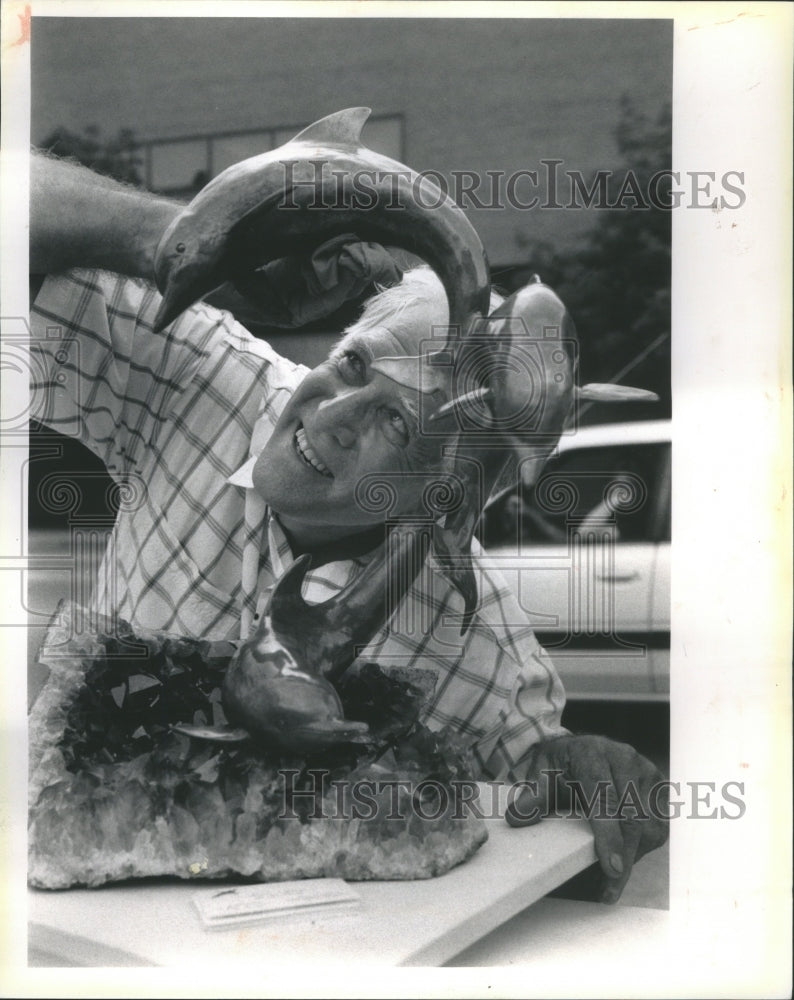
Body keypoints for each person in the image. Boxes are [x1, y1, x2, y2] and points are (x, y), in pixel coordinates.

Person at [28, 148, 668, 904]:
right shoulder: (205, 380)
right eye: (354, 367)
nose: (329, 415)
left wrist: (582, 777)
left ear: (449, 503)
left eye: (395, 423)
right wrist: (186, 238)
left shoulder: (480, 645)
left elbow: (550, 821)